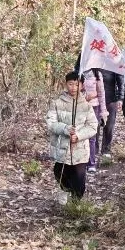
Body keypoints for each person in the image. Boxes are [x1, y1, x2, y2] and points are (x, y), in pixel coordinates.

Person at [47, 70, 99, 202]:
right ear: (66, 84)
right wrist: (65, 129)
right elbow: (51, 123)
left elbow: (93, 126)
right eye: (70, 84)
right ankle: (64, 190)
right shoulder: (57, 103)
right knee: (60, 172)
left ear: (82, 85)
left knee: (79, 178)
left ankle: (76, 204)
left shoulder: (86, 106)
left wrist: (79, 135)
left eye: (77, 84)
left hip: (80, 148)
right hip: (62, 147)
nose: (73, 88)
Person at [81, 69, 106, 173]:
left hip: (94, 108)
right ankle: (81, 163)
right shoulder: (78, 72)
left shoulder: (97, 74)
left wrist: (103, 111)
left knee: (92, 136)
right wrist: (85, 97)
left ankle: (91, 163)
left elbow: (101, 94)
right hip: (80, 108)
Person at [97, 65, 124, 160]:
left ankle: (106, 150)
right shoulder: (93, 58)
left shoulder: (114, 59)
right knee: (95, 125)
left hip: (111, 98)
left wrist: (120, 98)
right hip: (95, 99)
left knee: (109, 126)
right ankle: (94, 150)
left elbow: (121, 79)